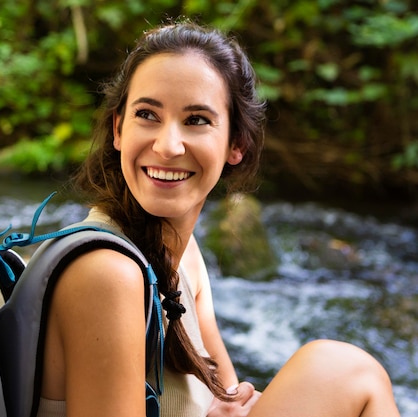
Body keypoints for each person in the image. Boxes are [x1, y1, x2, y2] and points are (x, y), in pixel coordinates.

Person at [37, 19, 401, 417]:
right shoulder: (106, 273)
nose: (168, 145)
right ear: (118, 128)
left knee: (345, 371)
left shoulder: (185, 255)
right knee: (346, 370)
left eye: (196, 120)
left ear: (236, 144)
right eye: (147, 114)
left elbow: (229, 399)